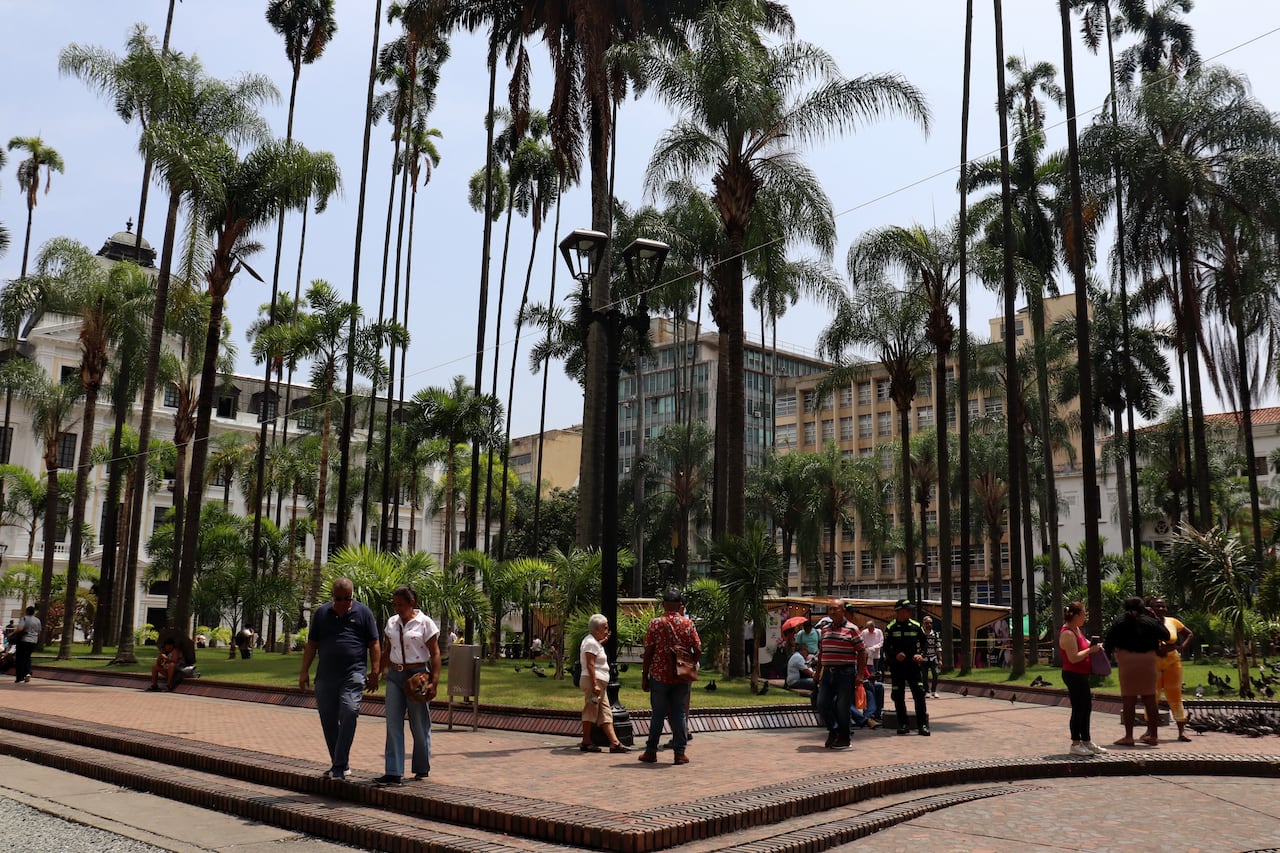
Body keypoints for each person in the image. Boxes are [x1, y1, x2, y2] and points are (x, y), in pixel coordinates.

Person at [299, 578, 381, 781]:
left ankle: (338, 765)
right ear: (332, 596)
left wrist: (375, 672)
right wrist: (304, 672)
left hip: (353, 673)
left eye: (348, 598)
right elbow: (312, 644)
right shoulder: (322, 613)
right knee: (328, 720)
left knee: (350, 710)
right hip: (326, 675)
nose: (344, 603)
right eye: (339, 599)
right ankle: (340, 764)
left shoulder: (363, 613)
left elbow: (374, 644)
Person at [374, 586, 441, 786]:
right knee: (393, 722)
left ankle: (421, 767)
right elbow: (387, 649)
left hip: (417, 675)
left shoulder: (425, 623)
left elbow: (435, 653)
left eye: (400, 604)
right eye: (394, 604)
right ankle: (393, 771)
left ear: (411, 603)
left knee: (419, 724)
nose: (396, 608)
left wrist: (434, 682)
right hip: (395, 674)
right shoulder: (392, 623)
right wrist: (376, 672)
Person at [639, 588, 701, 765]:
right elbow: (698, 649)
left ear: (664, 604)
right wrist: (690, 663)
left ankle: (651, 751)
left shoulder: (655, 624)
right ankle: (679, 753)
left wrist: (645, 675)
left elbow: (649, 651)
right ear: (680, 605)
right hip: (681, 676)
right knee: (679, 713)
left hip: (659, 675)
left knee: (657, 714)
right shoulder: (688, 624)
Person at [1104, 596, 1166, 747]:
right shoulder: (1150, 621)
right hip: (1148, 660)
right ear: (1143, 608)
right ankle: (1153, 736)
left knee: (1129, 700)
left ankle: (1129, 736)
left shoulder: (1119, 622)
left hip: (1127, 661)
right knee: (1150, 699)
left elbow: (1108, 643)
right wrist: (1154, 616)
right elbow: (1166, 634)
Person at [816, 601, 867, 749]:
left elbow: (862, 652)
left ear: (843, 610)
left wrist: (860, 675)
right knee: (822, 703)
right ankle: (834, 730)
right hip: (827, 673)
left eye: (835, 609)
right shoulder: (825, 630)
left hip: (845, 673)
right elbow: (821, 653)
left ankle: (844, 737)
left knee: (842, 706)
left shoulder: (852, 629)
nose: (832, 612)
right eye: (830, 609)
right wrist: (818, 672)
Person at [1059, 601, 1108, 756]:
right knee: (1078, 708)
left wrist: (1096, 647)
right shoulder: (1067, 633)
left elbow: (1086, 644)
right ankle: (1075, 743)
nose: (1085, 617)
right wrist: (1090, 650)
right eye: (1083, 614)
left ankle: (1086, 741)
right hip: (1072, 674)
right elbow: (1073, 658)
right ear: (1076, 615)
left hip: (1081, 675)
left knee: (1086, 707)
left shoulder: (1077, 630)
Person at [578, 614, 628, 753]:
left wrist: (603, 641)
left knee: (605, 711)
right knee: (591, 709)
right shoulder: (590, 643)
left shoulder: (594, 642)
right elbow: (590, 665)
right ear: (597, 628)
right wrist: (594, 684)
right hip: (593, 680)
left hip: (599, 682)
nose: (607, 630)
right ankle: (586, 741)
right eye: (605, 628)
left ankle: (614, 742)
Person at [1147, 596, 1194, 742]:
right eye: (1157, 606)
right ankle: (1150, 731)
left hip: (1172, 662)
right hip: (1152, 663)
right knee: (1151, 697)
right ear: (1151, 608)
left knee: (1175, 696)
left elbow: (1189, 633)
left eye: (1163, 606)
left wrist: (1181, 647)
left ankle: (1182, 731)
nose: (1161, 609)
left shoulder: (1172, 621)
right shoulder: (1146, 623)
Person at [884, 599, 930, 736]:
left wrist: (921, 655)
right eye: (907, 610)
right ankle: (903, 724)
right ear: (899, 611)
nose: (910, 612)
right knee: (898, 695)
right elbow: (886, 647)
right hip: (897, 667)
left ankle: (922, 725)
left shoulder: (916, 626)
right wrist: (895, 655)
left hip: (913, 667)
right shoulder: (891, 627)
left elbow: (925, 643)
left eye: (911, 610)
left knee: (919, 693)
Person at [12, 606, 40, 684]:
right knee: (27, 657)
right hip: (33, 641)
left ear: (27, 611)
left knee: (20, 658)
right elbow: (39, 632)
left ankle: (20, 678)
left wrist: (12, 633)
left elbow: (20, 629)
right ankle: (28, 672)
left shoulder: (24, 618)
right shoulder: (37, 620)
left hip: (24, 640)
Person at [921, 616, 941, 698]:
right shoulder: (921, 634)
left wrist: (940, 659)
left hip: (933, 658)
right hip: (924, 658)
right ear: (923, 624)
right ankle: (926, 691)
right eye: (926, 623)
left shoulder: (935, 634)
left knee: (935, 674)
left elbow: (938, 646)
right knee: (924, 676)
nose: (929, 624)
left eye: (930, 623)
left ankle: (934, 690)